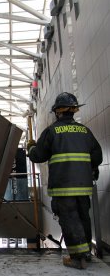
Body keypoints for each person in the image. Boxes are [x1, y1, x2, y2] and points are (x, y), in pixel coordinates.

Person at [27, 92, 102, 270]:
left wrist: (30, 147)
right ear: (74, 111)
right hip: (84, 186)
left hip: (63, 186)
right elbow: (97, 157)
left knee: (69, 219)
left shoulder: (52, 131)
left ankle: (77, 258)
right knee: (83, 217)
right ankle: (86, 254)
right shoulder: (85, 131)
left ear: (58, 112)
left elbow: (38, 156)